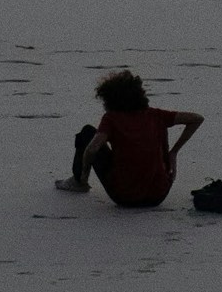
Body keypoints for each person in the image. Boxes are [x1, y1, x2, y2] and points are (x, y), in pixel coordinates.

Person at [56, 69, 202, 208]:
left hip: (124, 197)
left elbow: (92, 148)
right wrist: (173, 152)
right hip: (158, 196)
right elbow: (197, 119)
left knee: (87, 132)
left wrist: (84, 173)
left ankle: (79, 183)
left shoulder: (111, 119)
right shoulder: (157, 115)